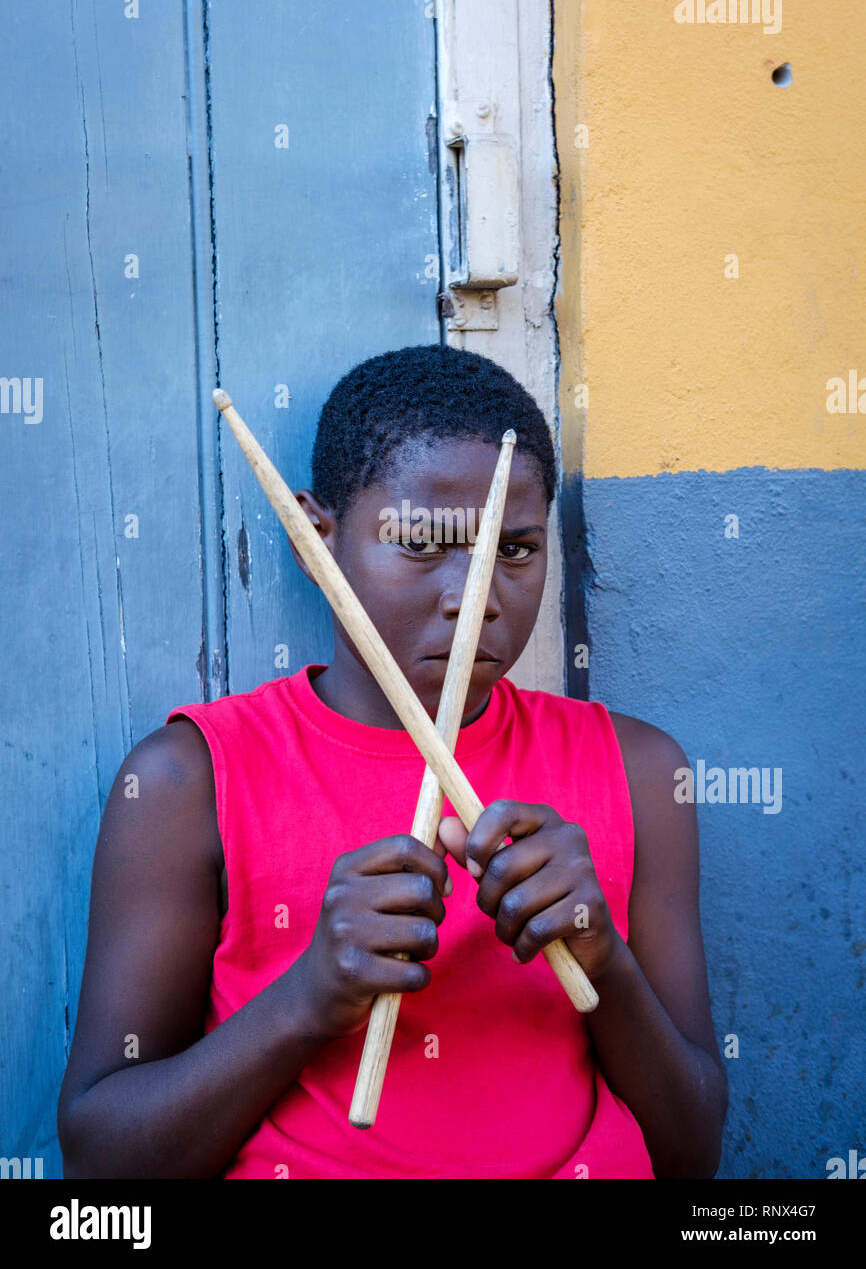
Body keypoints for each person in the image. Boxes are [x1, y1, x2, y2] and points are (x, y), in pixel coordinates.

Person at [57, 344, 727, 1179]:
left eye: (512, 551)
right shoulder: (186, 781)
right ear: (315, 541)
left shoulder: (638, 772)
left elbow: (694, 1147)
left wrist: (601, 959)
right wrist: (307, 999)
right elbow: (100, 1158)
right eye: (421, 544)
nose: (473, 594)